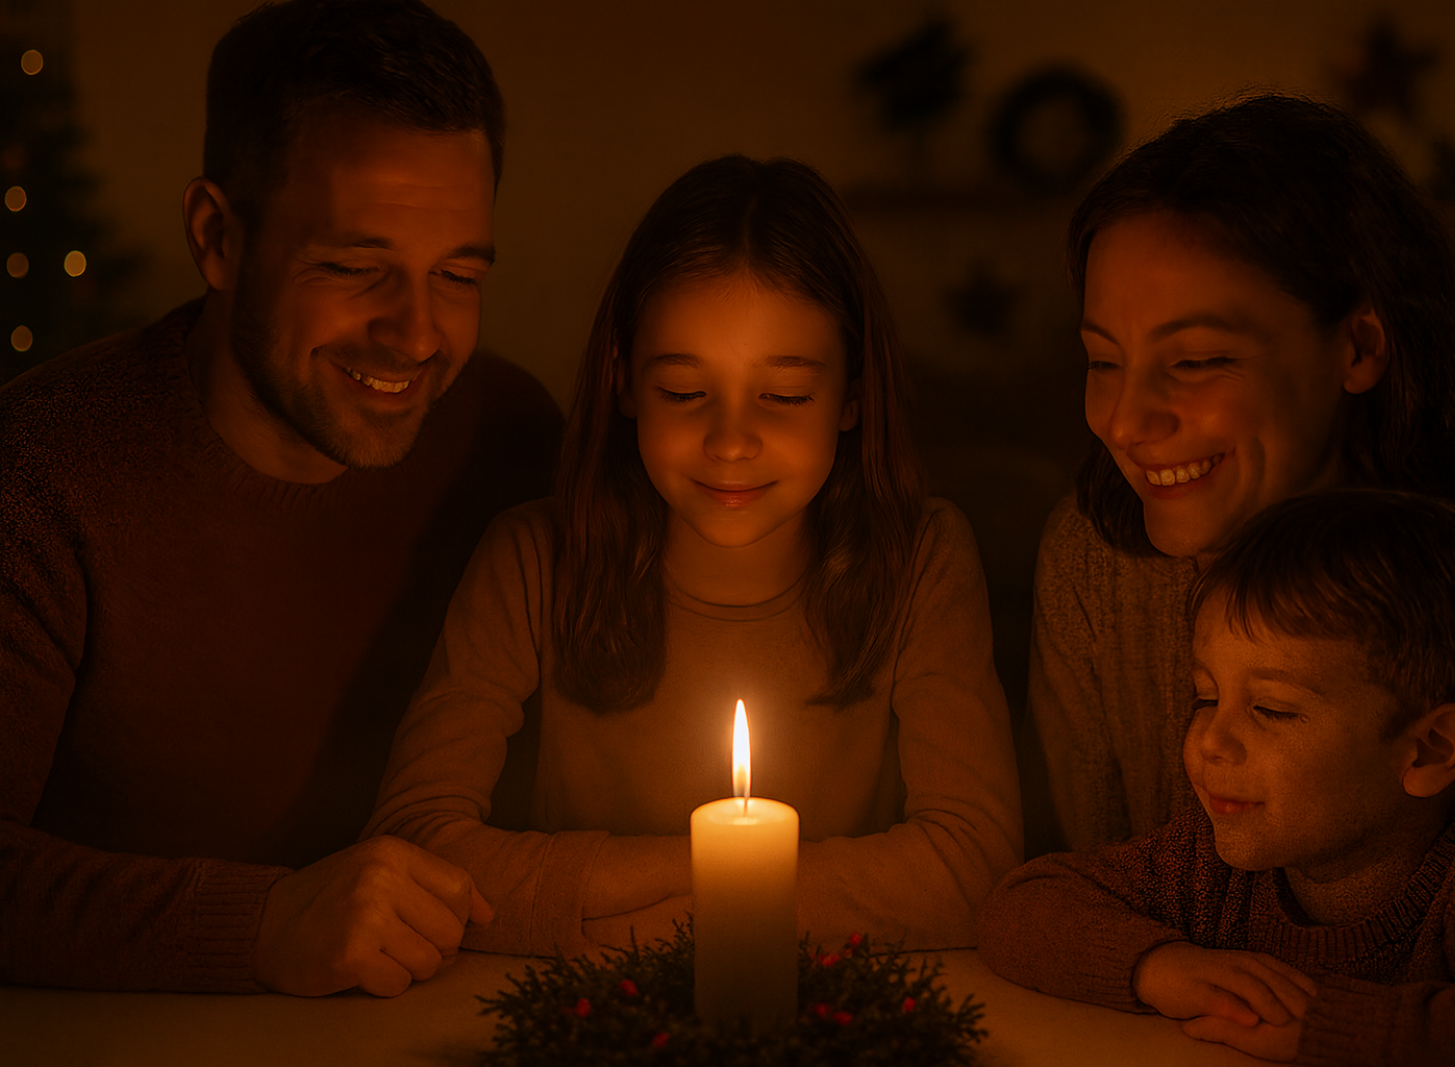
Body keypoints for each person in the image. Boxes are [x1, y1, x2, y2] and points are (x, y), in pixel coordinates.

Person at [0, 0, 563, 996]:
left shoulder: (510, 440)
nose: (416, 335)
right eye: (354, 268)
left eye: (456, 275)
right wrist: (257, 920)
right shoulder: (39, 472)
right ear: (218, 237)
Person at [364, 155, 1022, 957]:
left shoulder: (920, 563)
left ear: (852, 394)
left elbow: (972, 868)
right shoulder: (533, 561)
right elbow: (415, 848)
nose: (731, 441)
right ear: (623, 381)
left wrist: (599, 904)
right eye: (683, 392)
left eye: (783, 396)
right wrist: (727, 880)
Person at [1022, 93, 1455, 857]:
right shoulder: (1094, 565)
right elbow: (1093, 876)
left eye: (1195, 361)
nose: (1125, 423)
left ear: (1359, 346)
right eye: (1103, 361)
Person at [982, 489, 1455, 1065]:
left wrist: (1327, 1026)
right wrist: (1159, 966)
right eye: (1206, 698)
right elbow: (1023, 905)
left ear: (1429, 751)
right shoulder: (1210, 867)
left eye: (1272, 709)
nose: (1210, 740)